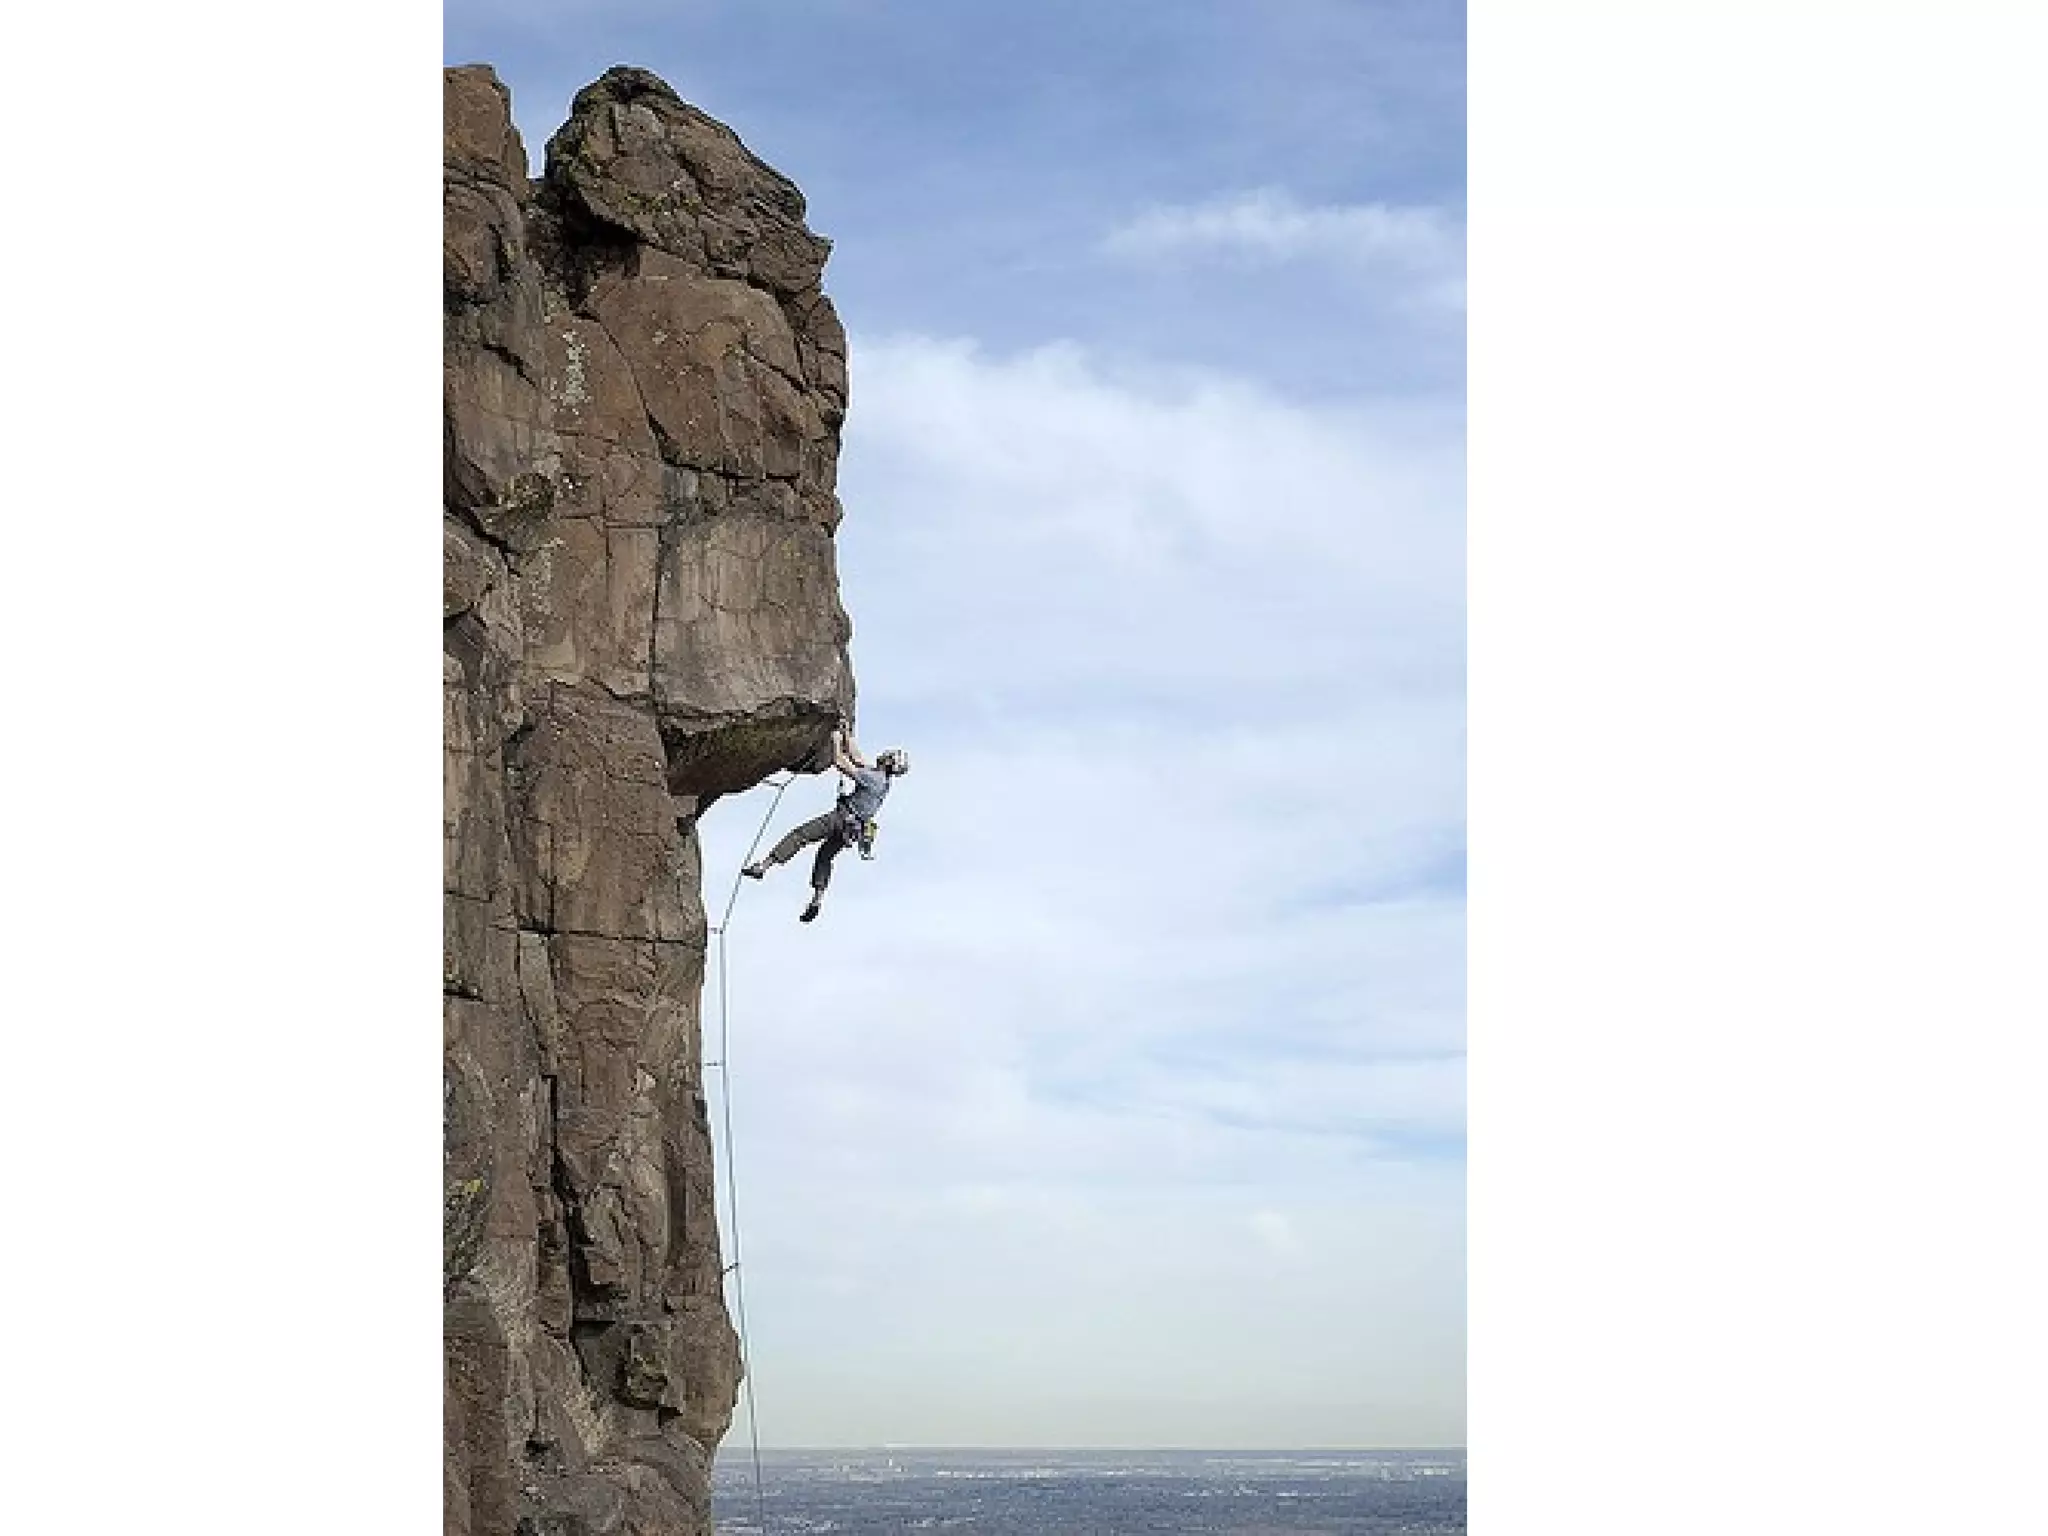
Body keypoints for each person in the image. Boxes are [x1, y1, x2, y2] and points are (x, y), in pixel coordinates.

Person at [743, 724, 910, 922]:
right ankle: (817, 900)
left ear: (889, 763)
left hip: (840, 819)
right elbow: (856, 758)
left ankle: (763, 867)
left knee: (800, 835)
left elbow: (840, 762)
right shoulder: (881, 780)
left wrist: (835, 740)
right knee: (824, 857)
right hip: (851, 830)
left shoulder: (874, 778)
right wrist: (847, 733)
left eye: (889, 757)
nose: (884, 755)